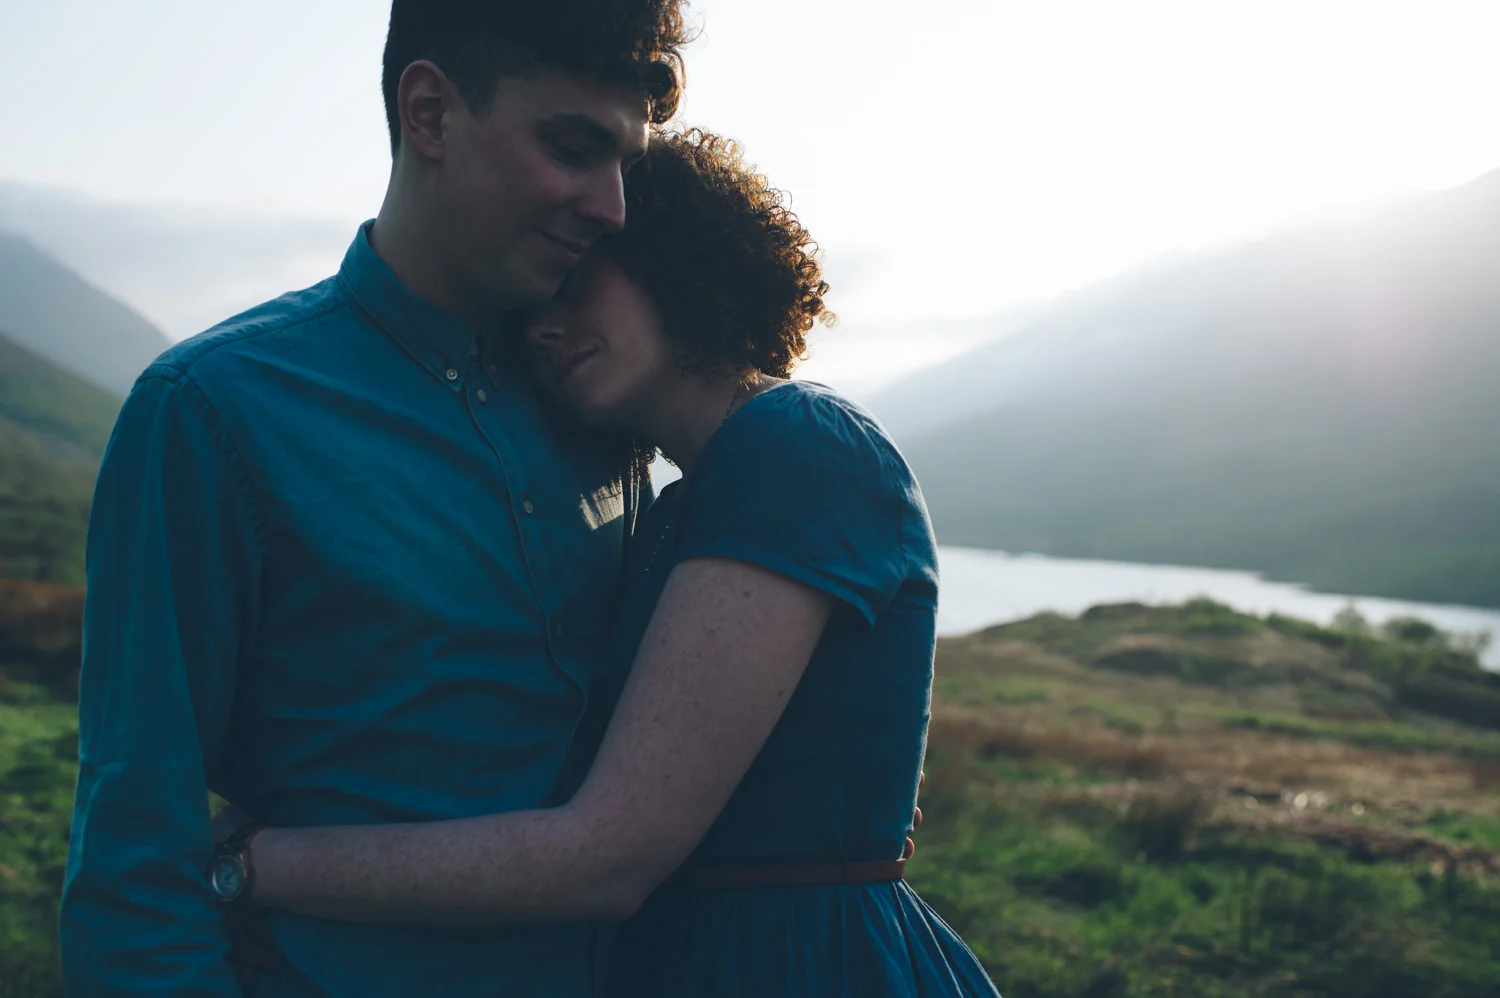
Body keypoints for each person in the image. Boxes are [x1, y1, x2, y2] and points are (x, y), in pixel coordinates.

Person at [215, 129, 1004, 997]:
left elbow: (607, 856)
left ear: (677, 262)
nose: (544, 331)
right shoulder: (683, 500)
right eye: (525, 320)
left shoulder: (794, 445)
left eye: (577, 278)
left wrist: (254, 862)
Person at [59, 2, 690, 995]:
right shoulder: (213, 411)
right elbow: (138, 846)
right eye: (573, 146)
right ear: (429, 113)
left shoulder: (603, 400)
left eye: (627, 167)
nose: (611, 206)